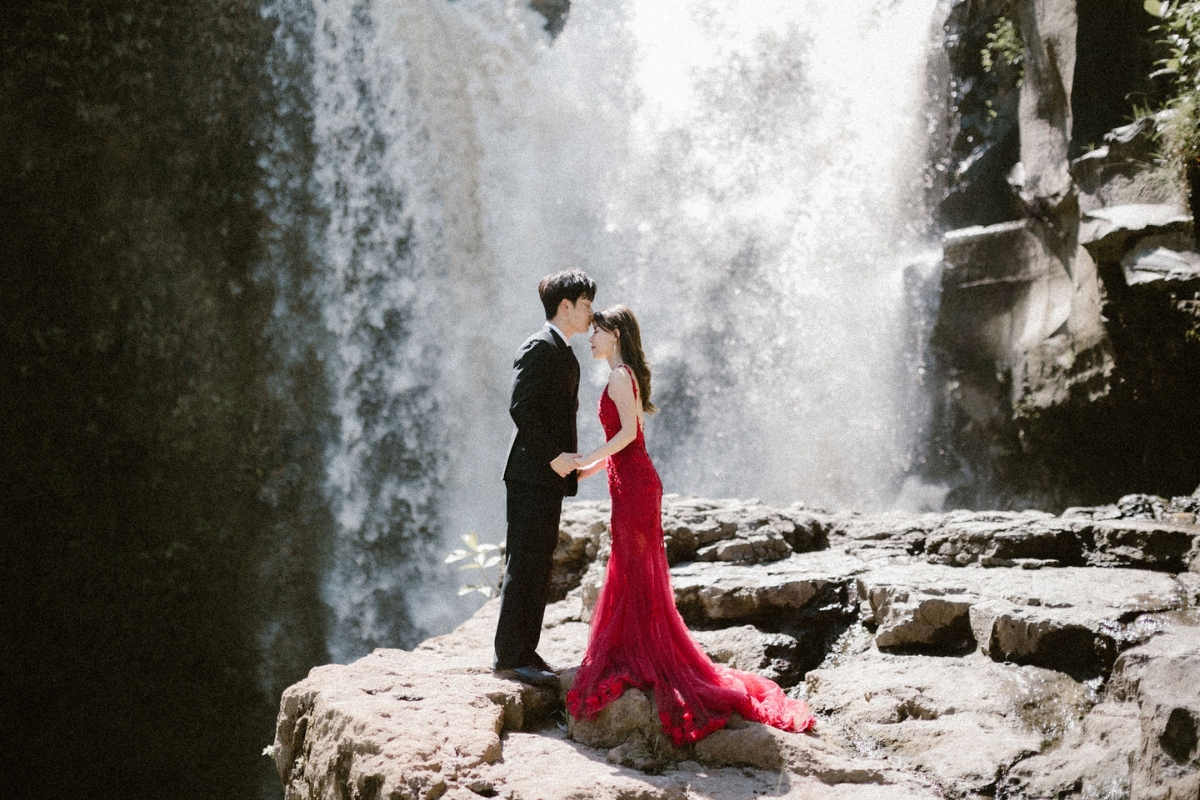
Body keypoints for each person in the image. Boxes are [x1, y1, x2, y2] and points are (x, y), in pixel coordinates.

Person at [566, 304, 815, 745]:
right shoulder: (623, 374)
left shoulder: (620, 377)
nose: (591, 336)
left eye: (597, 330)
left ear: (616, 333)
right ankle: (636, 648)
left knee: (634, 570)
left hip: (637, 484)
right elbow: (628, 442)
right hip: (631, 481)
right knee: (632, 569)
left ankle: (640, 654)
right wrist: (591, 472)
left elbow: (626, 435)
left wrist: (588, 459)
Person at [494, 269, 596, 687]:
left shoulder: (565, 351)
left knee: (538, 563)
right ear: (566, 306)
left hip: (546, 475)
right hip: (531, 474)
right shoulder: (539, 346)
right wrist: (554, 456)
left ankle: (525, 650)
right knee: (525, 561)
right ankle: (509, 656)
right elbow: (521, 407)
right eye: (586, 304)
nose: (592, 313)